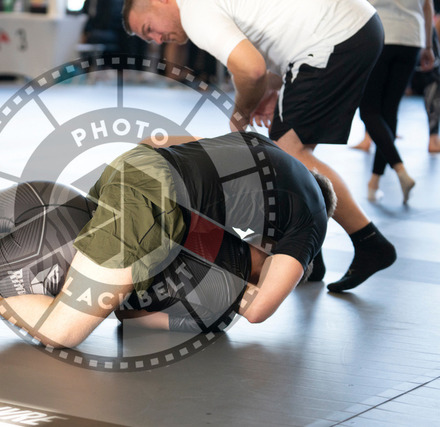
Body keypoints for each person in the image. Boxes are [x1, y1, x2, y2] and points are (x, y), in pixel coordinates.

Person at [0, 132, 335, 345]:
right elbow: (260, 309)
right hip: (102, 229)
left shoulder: (269, 157)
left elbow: (166, 142)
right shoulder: (306, 224)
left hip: (100, 186)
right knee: (59, 330)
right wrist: (245, 298)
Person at [121, 0, 397, 292]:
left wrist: (240, 114)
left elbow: (251, 70)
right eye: (148, 38)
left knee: (290, 154)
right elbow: (273, 36)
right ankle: (312, 255)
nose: (157, 39)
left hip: (337, 34)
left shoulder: (193, 11)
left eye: (149, 29)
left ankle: (369, 242)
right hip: (349, 27)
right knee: (287, 149)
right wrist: (272, 87)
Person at [356, 0, 434, 203]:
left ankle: (400, 169)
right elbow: (427, 6)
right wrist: (428, 45)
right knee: (389, 111)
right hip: (411, 38)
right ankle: (374, 182)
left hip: (379, 34)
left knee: (368, 111)